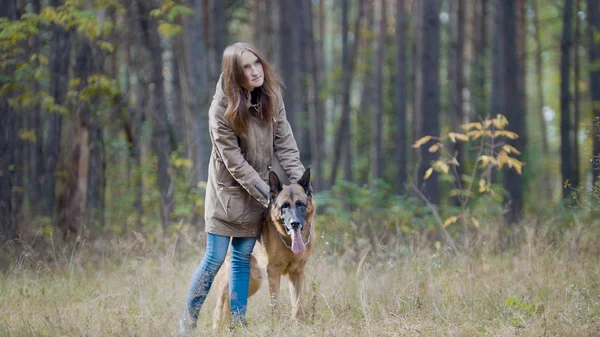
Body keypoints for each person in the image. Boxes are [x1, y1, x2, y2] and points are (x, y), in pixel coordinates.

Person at [179, 42, 305, 334]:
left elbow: (285, 143)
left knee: (241, 259)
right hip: (228, 194)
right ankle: (187, 323)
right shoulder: (221, 108)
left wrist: (299, 186)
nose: (254, 71)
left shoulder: (272, 96)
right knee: (214, 258)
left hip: (258, 196)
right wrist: (270, 195)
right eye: (246, 67)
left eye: (256, 63)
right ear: (235, 74)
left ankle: (237, 326)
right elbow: (233, 162)